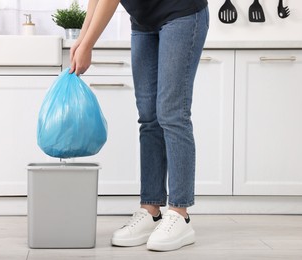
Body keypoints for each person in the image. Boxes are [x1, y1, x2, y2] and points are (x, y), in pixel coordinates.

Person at [70, 0, 209, 252]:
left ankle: (179, 213)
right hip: (144, 22)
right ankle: (151, 208)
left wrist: (89, 44)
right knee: (148, 118)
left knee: (172, 113)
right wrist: (82, 38)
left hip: (181, 13)